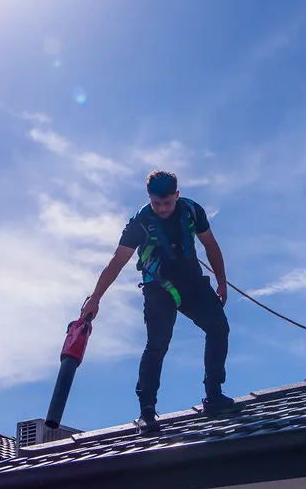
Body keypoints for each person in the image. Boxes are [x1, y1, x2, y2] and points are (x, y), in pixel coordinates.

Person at [81, 169, 237, 434]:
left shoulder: (191, 211)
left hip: (191, 283)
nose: (163, 209)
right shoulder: (139, 223)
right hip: (159, 288)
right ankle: (147, 413)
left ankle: (214, 396)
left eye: (167, 202)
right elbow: (117, 263)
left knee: (219, 328)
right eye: (156, 203)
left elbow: (211, 245)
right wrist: (95, 299)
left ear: (176, 195)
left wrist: (221, 281)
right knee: (157, 344)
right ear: (149, 198)